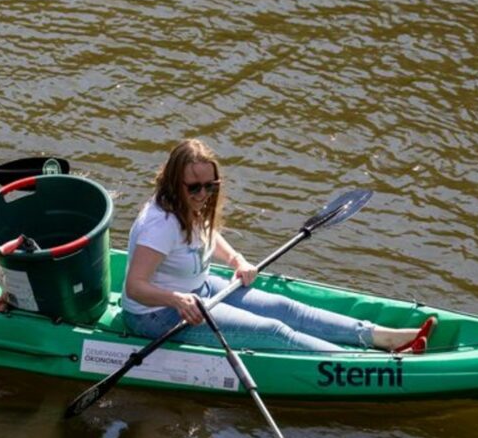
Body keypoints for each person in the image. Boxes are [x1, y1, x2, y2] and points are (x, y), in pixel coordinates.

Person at [121, 138, 435, 353]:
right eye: (195, 187)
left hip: (198, 291)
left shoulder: (190, 205)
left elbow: (207, 235)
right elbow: (135, 287)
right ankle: (360, 364)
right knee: (273, 330)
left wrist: (237, 260)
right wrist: (177, 299)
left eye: (210, 186)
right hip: (155, 316)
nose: (204, 194)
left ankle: (380, 336)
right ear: (175, 183)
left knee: (288, 308)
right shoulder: (159, 225)